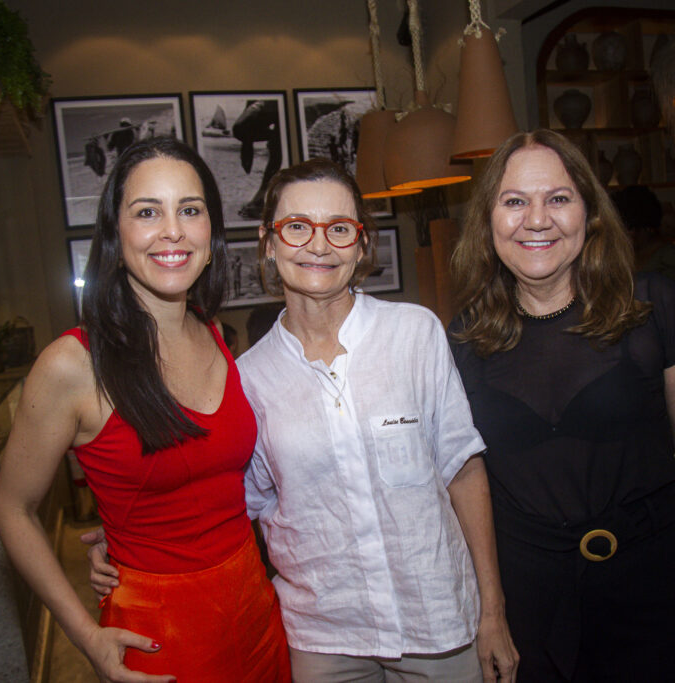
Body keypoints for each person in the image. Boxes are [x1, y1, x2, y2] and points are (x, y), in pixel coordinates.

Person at [92, 158, 519, 682]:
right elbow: (220, 500)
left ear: (362, 245)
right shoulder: (245, 379)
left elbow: (464, 472)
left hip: (436, 621)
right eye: (297, 227)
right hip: (322, 639)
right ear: (268, 243)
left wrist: (492, 612)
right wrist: (124, 540)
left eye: (339, 229)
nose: (319, 245)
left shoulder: (415, 335)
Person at [449, 129, 675, 681]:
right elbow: (467, 481)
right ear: (488, 220)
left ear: (589, 214)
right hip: (529, 600)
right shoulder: (464, 338)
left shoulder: (652, 307)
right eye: (514, 201)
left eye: (558, 199)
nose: (536, 219)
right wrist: (489, 612)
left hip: (654, 585)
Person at [0, 137, 290, 683]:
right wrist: (86, 637)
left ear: (211, 232)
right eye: (147, 212)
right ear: (115, 233)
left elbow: (210, 478)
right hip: (161, 635)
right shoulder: (72, 364)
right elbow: (12, 509)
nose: (172, 230)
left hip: (255, 606)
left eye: (190, 210)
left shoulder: (217, 335)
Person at [610, 184, 675, 297]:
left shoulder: (672, 259)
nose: (625, 235)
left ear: (646, 228)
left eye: (630, 228)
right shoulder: (622, 257)